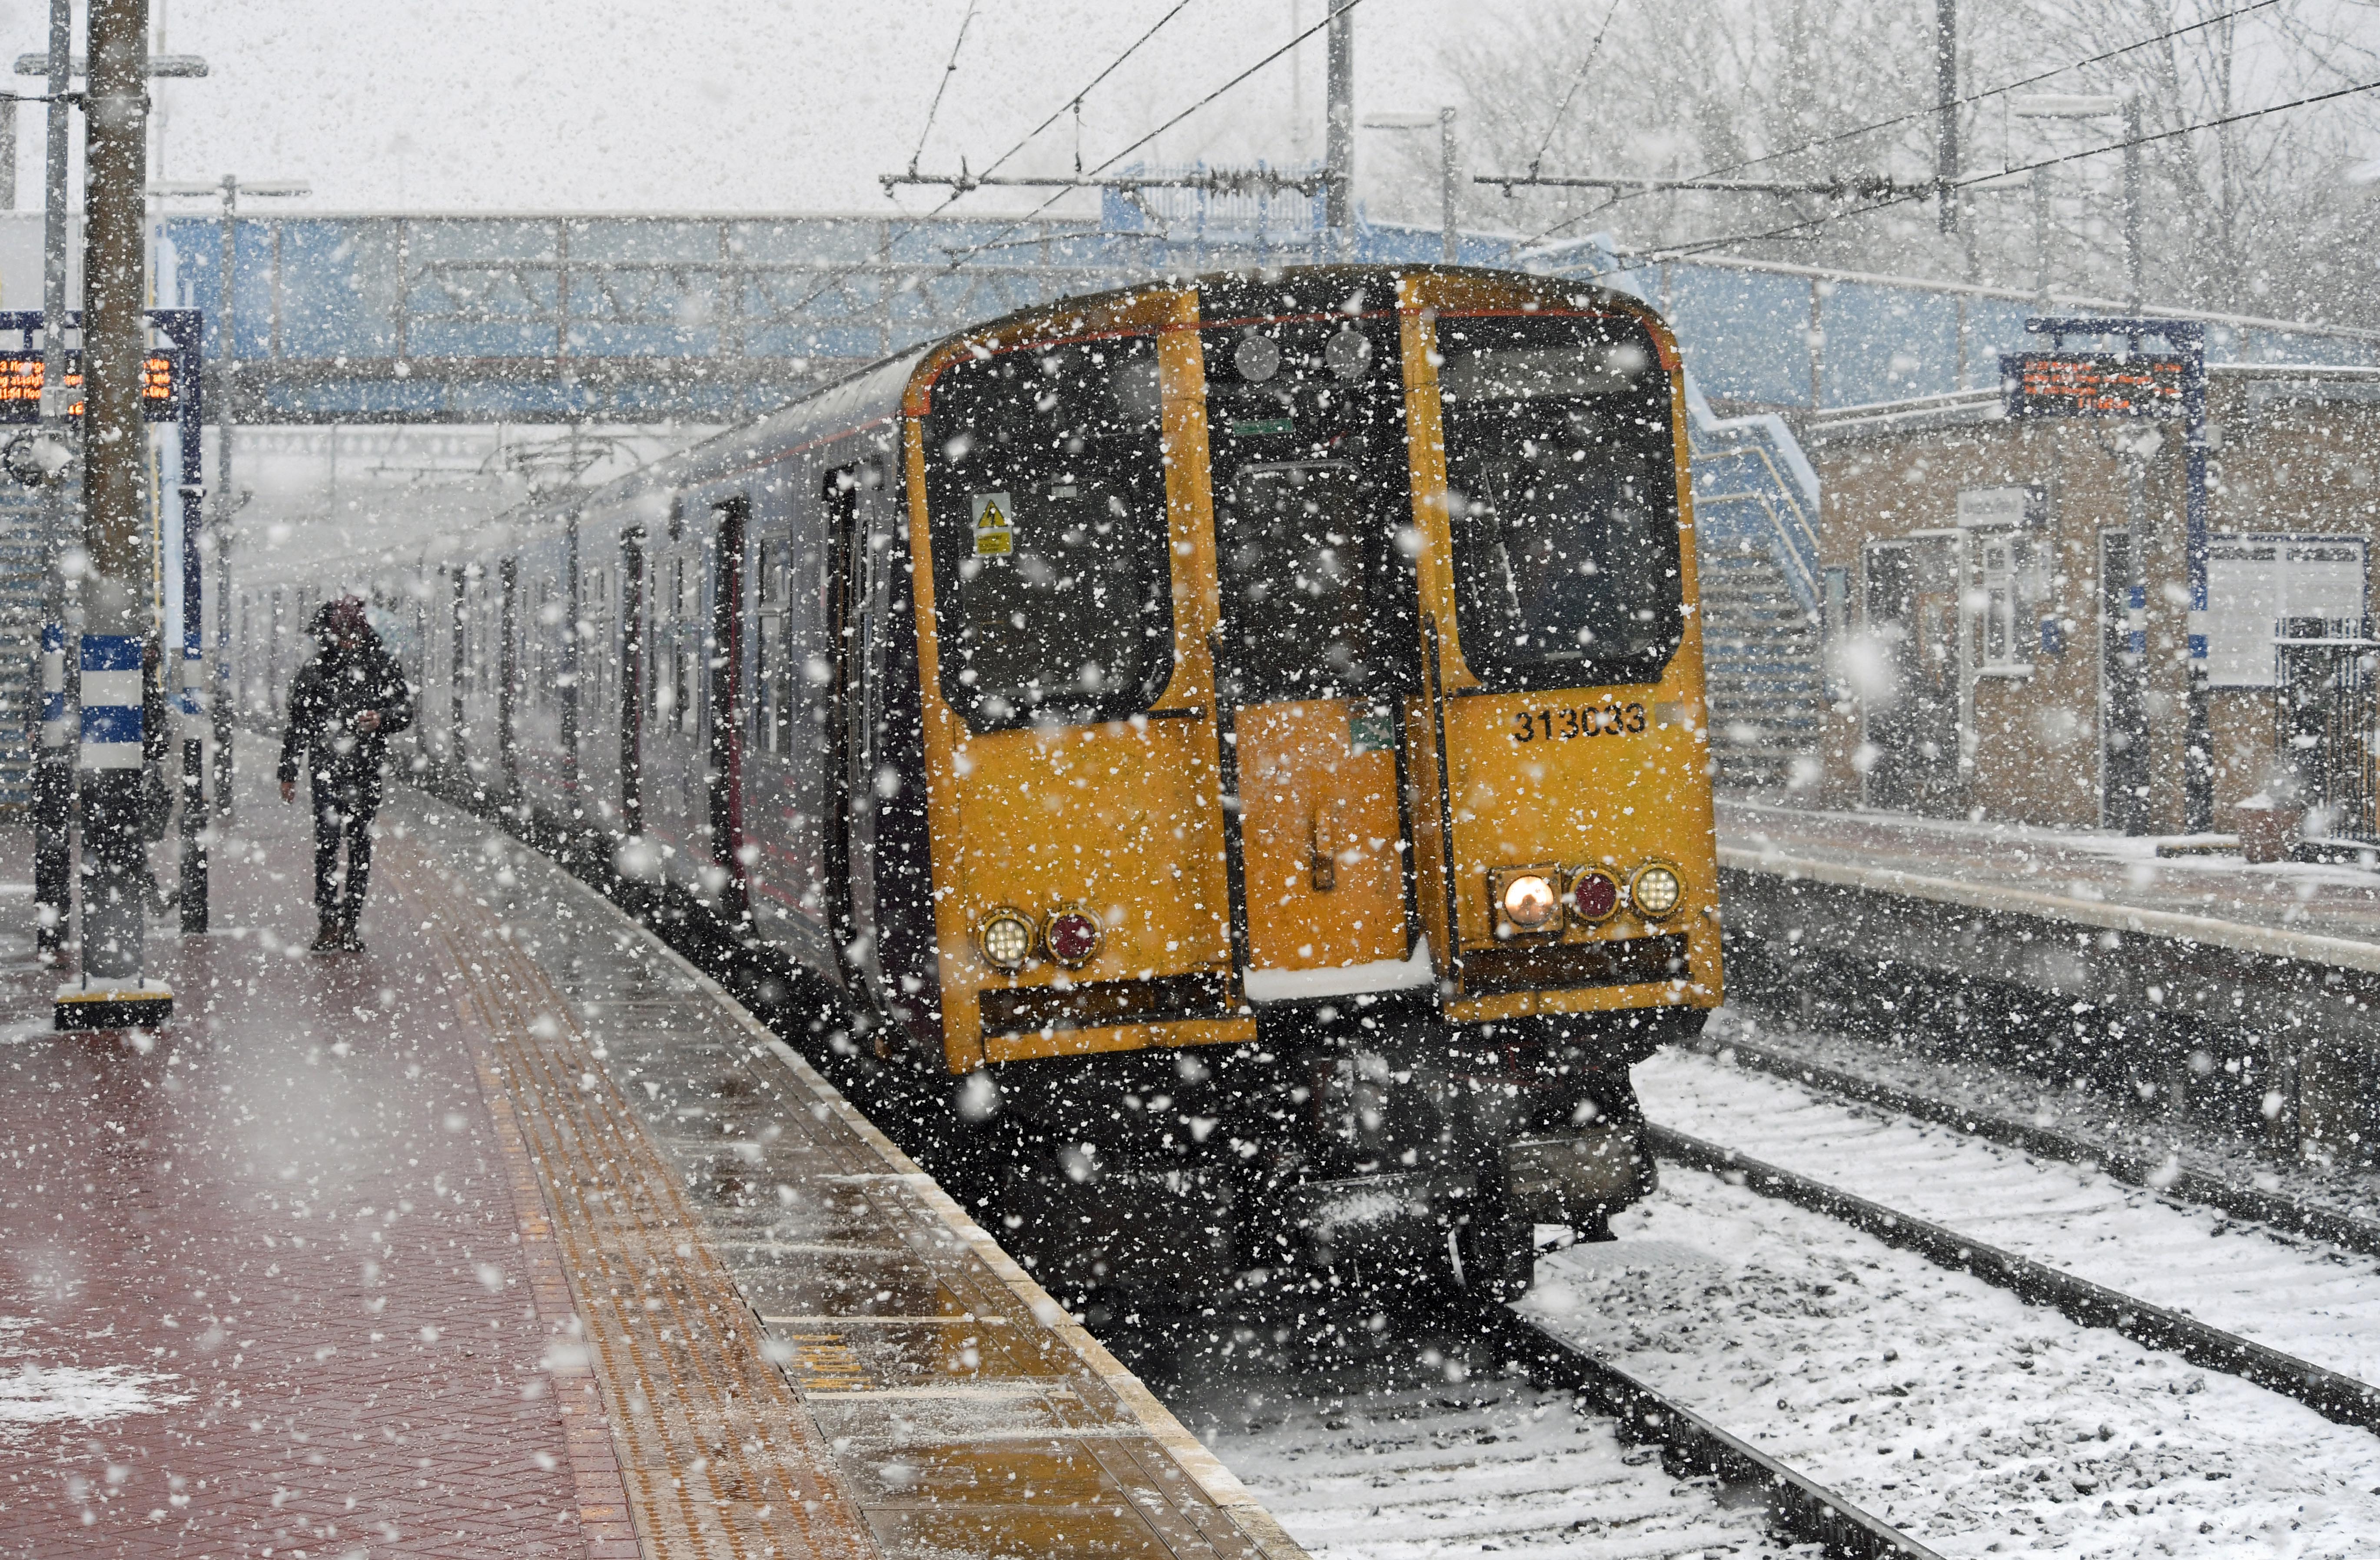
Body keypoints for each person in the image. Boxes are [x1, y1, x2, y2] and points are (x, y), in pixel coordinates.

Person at [279, 597, 413, 952]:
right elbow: (299, 724)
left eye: (354, 633)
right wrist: (288, 770)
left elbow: (404, 709)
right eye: (342, 634)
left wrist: (382, 717)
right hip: (326, 770)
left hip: (366, 769)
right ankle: (327, 921)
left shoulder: (382, 665)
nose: (349, 640)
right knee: (326, 843)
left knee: (359, 846)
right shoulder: (315, 670)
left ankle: (350, 922)